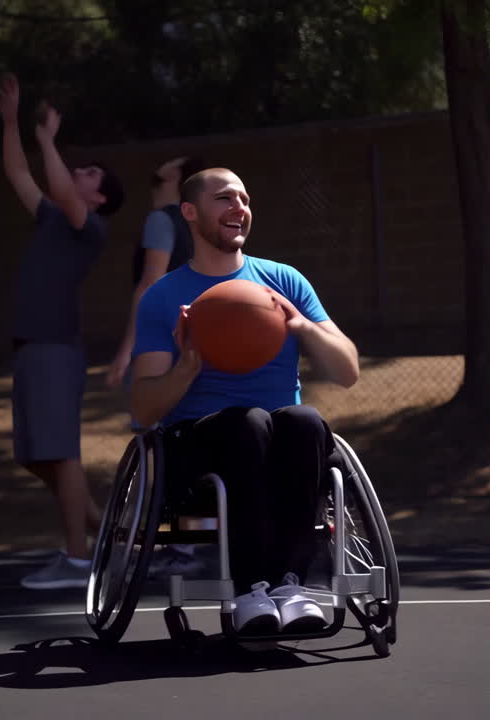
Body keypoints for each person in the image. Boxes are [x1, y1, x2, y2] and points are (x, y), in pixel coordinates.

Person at [129, 167, 360, 635]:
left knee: (304, 419)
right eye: (225, 198)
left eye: (245, 199)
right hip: (198, 447)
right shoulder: (163, 297)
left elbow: (347, 371)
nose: (239, 208)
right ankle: (251, 587)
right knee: (247, 423)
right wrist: (188, 365)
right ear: (189, 213)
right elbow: (143, 407)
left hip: (280, 442)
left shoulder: (284, 281)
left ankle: (289, 585)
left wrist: (300, 327)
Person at [0, 73, 126, 590]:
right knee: (35, 455)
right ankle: (102, 529)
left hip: (54, 347)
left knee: (61, 453)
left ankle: (77, 559)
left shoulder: (89, 227)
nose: (81, 172)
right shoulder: (51, 217)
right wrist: (10, 122)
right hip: (30, 347)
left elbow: (56, 185)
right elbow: (17, 171)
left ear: (98, 198)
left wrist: (47, 138)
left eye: (91, 173)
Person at [105, 155, 206, 393]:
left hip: (162, 341)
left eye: (172, 162)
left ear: (172, 175)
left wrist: (127, 351)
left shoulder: (160, 220)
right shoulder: (193, 223)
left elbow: (149, 285)